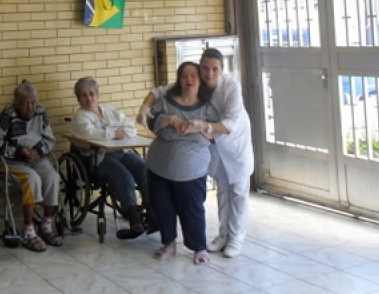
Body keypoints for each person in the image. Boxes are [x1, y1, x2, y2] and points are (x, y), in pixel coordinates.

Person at [138, 48, 254, 258]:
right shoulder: (195, 80)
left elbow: (232, 124)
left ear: (222, 70)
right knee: (224, 189)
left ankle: (236, 237)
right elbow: (159, 92)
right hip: (213, 143)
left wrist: (202, 126)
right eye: (205, 68)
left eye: (214, 69)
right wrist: (144, 109)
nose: (209, 74)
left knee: (238, 189)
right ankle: (223, 234)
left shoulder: (231, 86)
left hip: (234, 141)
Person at [144, 61, 214, 265]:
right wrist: (169, 119)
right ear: (179, 79)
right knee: (163, 207)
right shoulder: (165, 100)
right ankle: (168, 244)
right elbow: (151, 122)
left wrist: (200, 127)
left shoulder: (209, 105)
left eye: (193, 76)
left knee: (192, 208)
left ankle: (199, 248)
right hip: (159, 166)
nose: (189, 80)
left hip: (191, 170)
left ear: (200, 79)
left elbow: (215, 134)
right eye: (184, 75)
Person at [70, 77, 154, 239]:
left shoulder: (109, 111)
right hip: (97, 158)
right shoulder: (80, 118)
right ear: (78, 99)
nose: (88, 99)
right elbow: (91, 135)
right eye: (83, 95)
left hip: (120, 152)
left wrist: (113, 134)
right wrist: (115, 133)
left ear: (98, 95)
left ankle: (152, 213)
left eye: (91, 94)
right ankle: (134, 220)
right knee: (123, 175)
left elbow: (130, 128)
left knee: (143, 167)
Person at [0, 80, 64, 252]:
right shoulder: (8, 115)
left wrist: (37, 151)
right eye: (25, 103)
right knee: (32, 179)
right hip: (12, 161)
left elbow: (49, 138)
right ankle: (28, 231)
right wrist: (19, 152)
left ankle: (46, 226)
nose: (30, 107)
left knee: (53, 177)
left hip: (36, 158)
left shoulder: (41, 112)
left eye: (33, 102)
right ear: (16, 103)